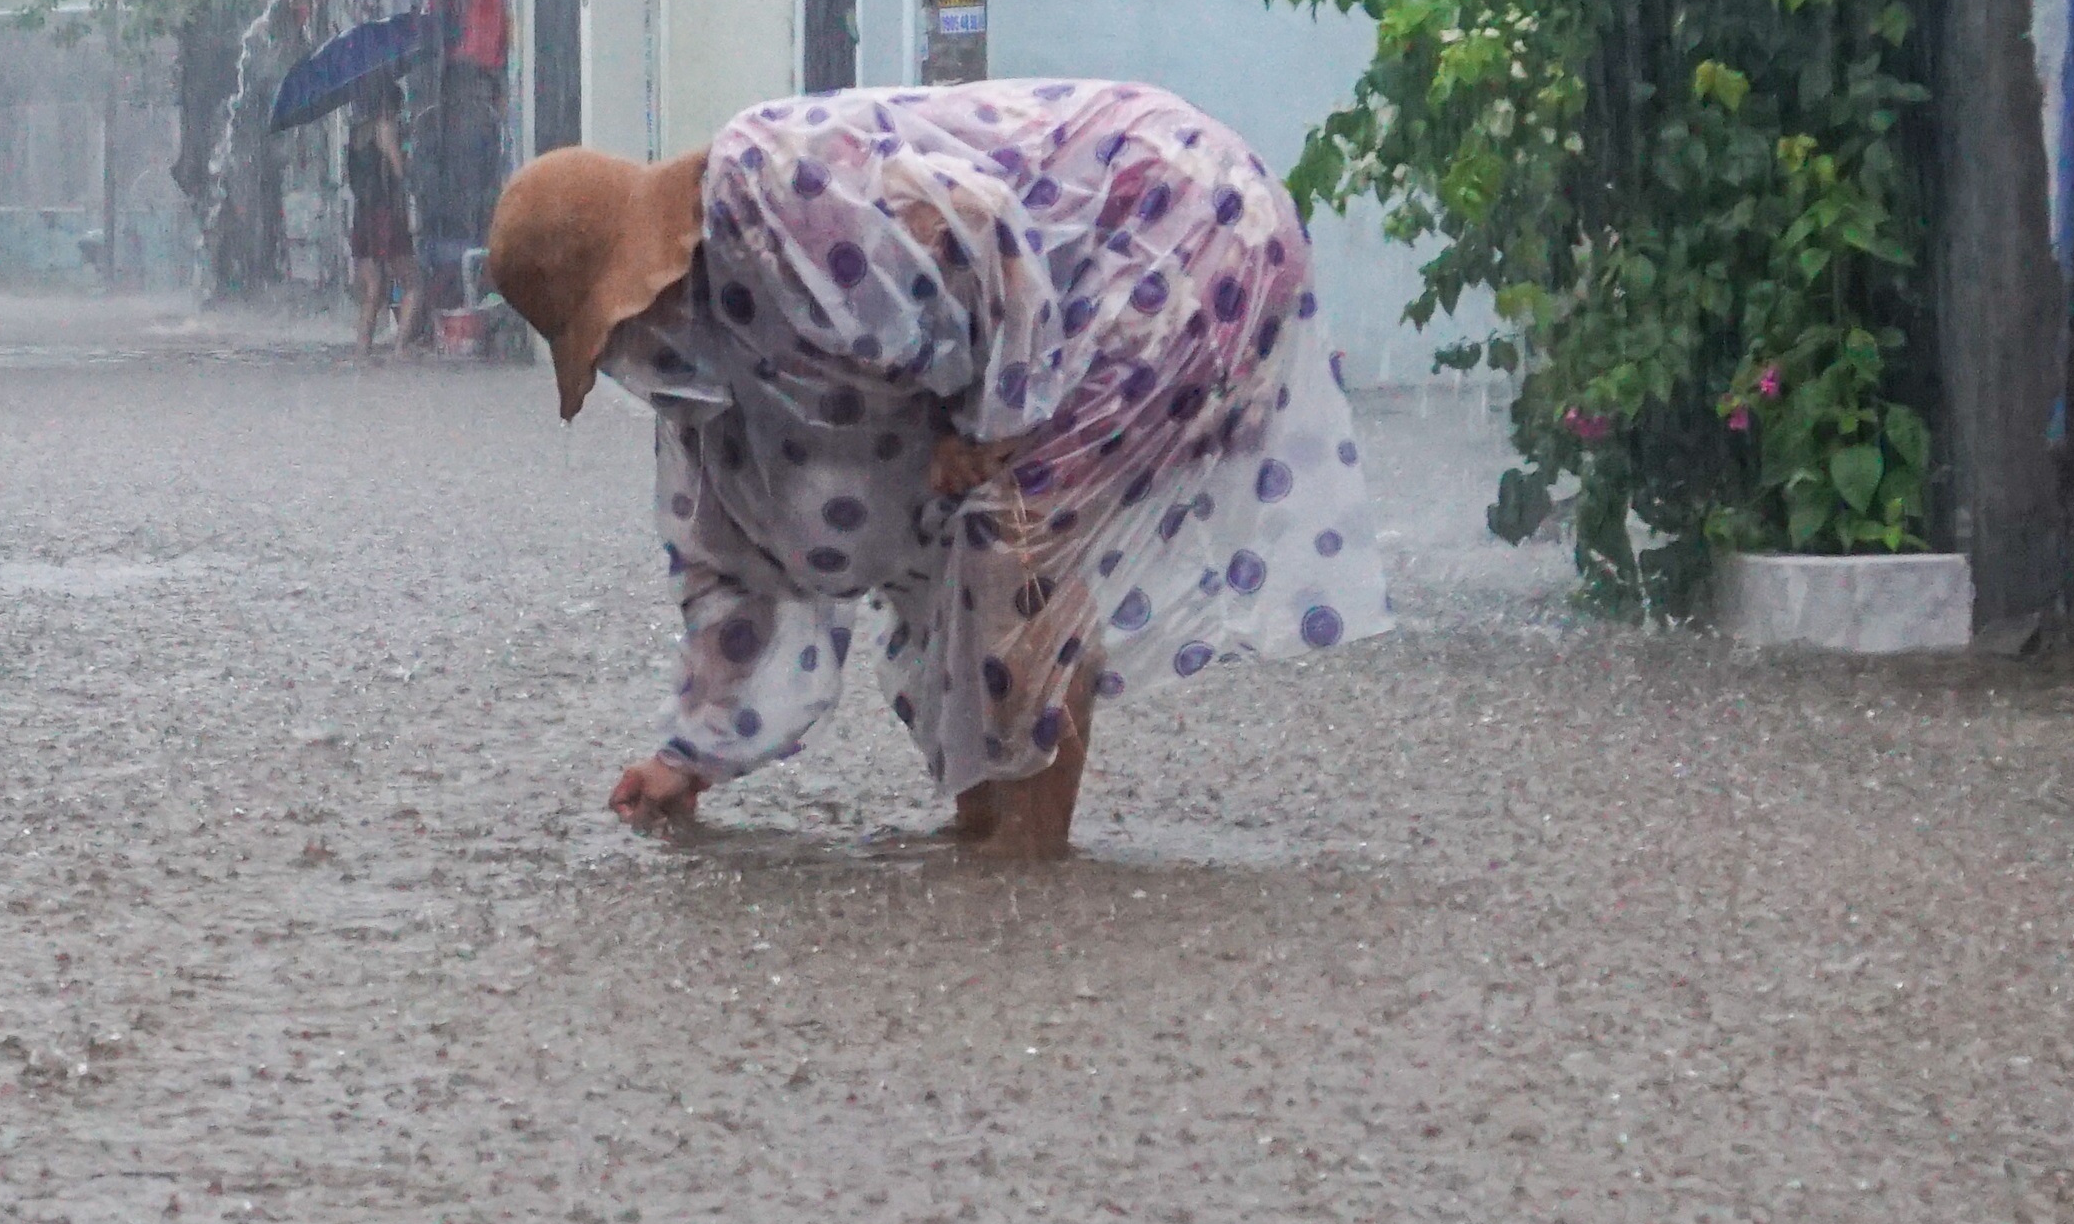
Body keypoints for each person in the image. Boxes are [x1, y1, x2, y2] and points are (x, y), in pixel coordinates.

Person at [483, 81, 1379, 855]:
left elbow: (981, 226)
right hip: (1100, 267)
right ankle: (991, 831)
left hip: (1178, 215)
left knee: (1013, 532)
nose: (630, 353)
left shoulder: (771, 185)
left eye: (617, 325)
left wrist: (989, 422)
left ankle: (1024, 858)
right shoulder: (708, 376)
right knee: (971, 542)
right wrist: (687, 759)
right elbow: (729, 569)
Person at [343, 105, 416, 357]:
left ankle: (362, 350)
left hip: (363, 216)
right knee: (413, 284)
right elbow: (399, 171)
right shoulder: (384, 128)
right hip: (387, 215)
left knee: (374, 288)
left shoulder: (355, 135)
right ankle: (400, 349)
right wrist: (405, 160)